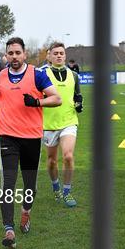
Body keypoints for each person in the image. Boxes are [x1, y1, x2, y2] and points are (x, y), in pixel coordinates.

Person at [0, 37, 62, 249]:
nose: (14, 57)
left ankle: (25, 212)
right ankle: (8, 230)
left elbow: (57, 98)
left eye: (18, 53)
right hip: (7, 136)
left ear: (24, 54)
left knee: (30, 186)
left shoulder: (37, 75)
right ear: (6, 55)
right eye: (11, 53)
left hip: (32, 138)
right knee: (7, 184)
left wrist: (37, 101)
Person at [42, 42, 83, 207]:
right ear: (49, 56)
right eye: (55, 53)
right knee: (52, 161)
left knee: (68, 156)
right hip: (48, 123)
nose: (59, 55)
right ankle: (56, 187)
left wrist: (79, 103)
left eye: (61, 53)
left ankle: (67, 192)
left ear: (65, 56)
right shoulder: (41, 74)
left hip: (69, 121)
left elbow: (77, 96)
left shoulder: (74, 75)